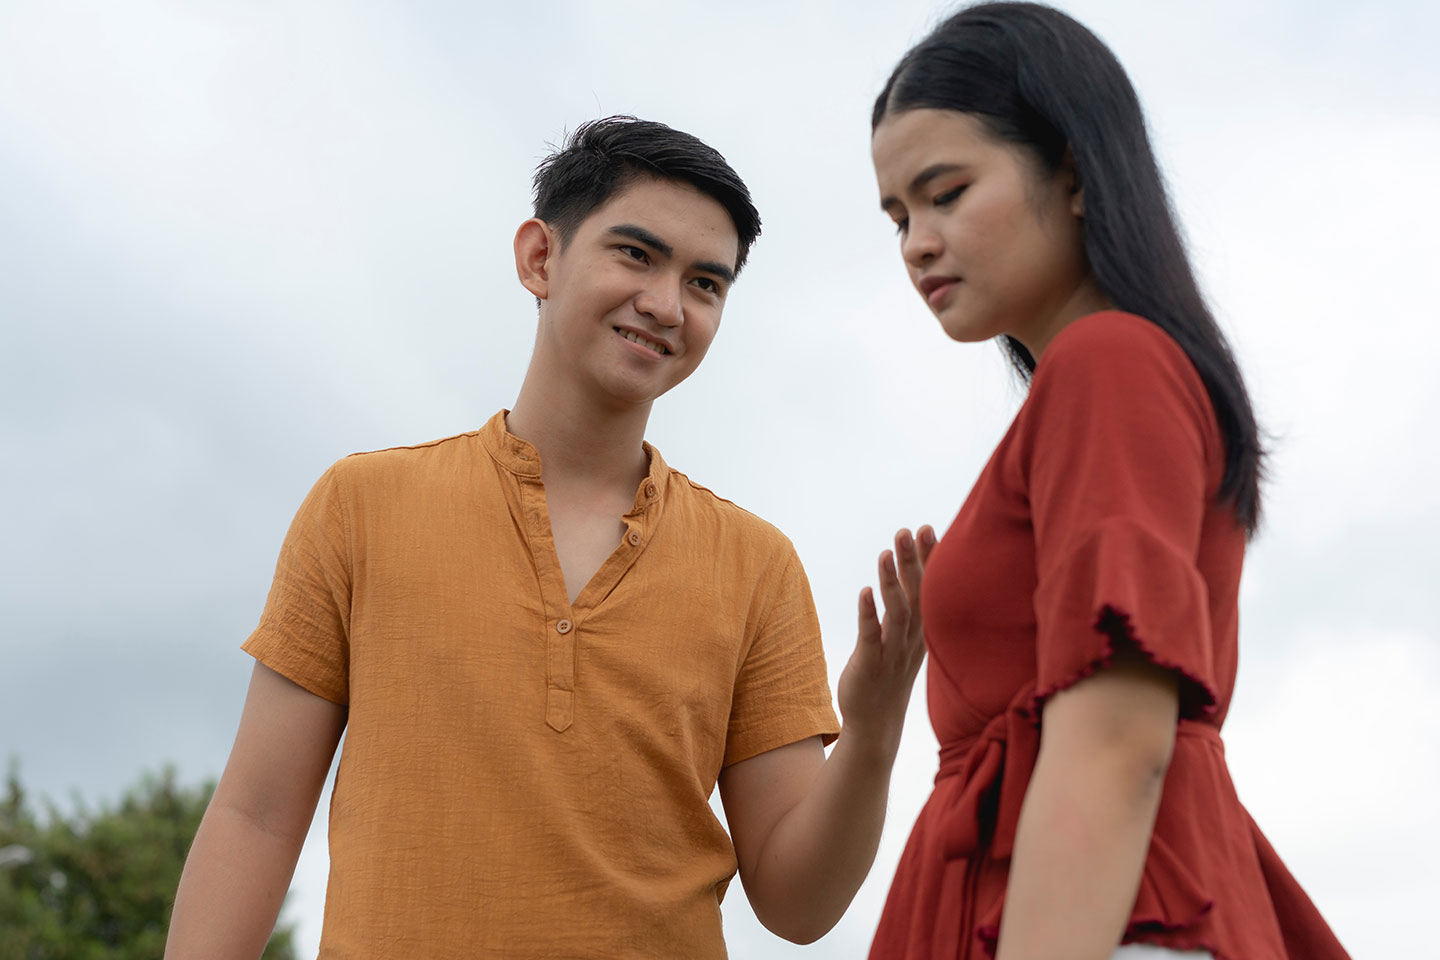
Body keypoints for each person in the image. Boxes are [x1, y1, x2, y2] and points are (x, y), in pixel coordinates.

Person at [165, 116, 931, 959]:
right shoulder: (361, 505)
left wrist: (874, 730)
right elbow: (257, 815)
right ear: (540, 258)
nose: (667, 304)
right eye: (636, 254)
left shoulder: (756, 566)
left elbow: (797, 905)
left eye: (706, 284)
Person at [865, 5, 1350, 960]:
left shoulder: (1111, 363)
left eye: (947, 192)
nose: (918, 242)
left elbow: (1117, 740)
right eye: (898, 217)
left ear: (1076, 173)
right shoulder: (1094, 380)